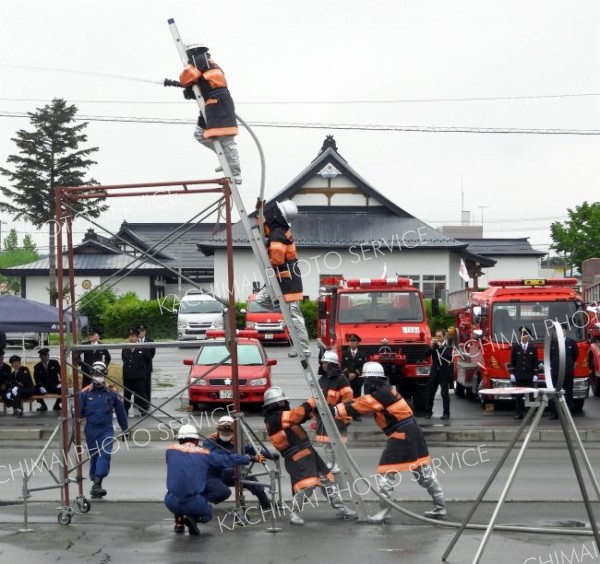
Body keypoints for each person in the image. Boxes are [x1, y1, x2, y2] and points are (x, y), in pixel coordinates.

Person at [335, 361, 446, 523]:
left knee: (385, 473)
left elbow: (361, 406)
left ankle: (384, 511)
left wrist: (335, 410)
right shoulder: (387, 391)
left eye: (367, 380)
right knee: (423, 471)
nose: (365, 383)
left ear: (373, 380)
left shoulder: (382, 395)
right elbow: (363, 401)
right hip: (413, 431)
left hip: (401, 433)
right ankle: (440, 506)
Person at [262, 386, 357, 526]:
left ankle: (341, 509)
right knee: (306, 486)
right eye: (281, 402)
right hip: (297, 457)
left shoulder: (281, 416)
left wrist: (313, 410)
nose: (284, 404)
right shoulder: (274, 419)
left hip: (308, 453)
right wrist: (311, 402)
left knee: (328, 481)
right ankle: (294, 513)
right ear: (274, 405)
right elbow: (297, 415)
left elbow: (300, 417)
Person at [165, 423, 256, 535]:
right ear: (196, 440)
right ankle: (192, 518)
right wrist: (250, 458)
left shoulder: (170, 450)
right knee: (207, 514)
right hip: (193, 503)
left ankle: (179, 522)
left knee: (178, 492)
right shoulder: (204, 454)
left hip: (170, 501)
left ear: (179, 439)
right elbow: (226, 460)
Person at [178, 43, 241, 184]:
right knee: (200, 134)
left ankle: (235, 172)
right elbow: (204, 83)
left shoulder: (199, 60)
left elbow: (186, 78)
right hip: (210, 103)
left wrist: (185, 84)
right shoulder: (207, 63)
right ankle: (225, 160)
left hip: (218, 103)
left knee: (227, 140)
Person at [255, 199, 311, 357]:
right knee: (261, 299)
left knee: (294, 315)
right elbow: (264, 229)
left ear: (279, 215)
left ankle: (304, 349)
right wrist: (259, 212)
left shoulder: (279, 234)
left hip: (287, 280)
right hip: (279, 278)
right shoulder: (279, 229)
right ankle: (285, 313)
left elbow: (277, 260)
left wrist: (267, 260)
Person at [79, 361, 128, 499]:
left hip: (107, 430)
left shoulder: (112, 392)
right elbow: (78, 414)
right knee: (94, 457)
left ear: (105, 375)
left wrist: (125, 429)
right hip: (91, 430)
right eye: (95, 374)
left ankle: (97, 482)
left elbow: (121, 412)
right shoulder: (84, 393)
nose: (98, 377)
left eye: (100, 374)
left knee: (104, 455)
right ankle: (95, 482)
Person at [203, 415, 273, 510]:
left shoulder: (237, 440)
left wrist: (269, 455)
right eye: (223, 432)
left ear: (233, 431)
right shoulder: (210, 441)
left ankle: (265, 503)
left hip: (234, 473)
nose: (226, 434)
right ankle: (201, 503)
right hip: (214, 475)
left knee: (249, 476)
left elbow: (253, 450)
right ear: (218, 430)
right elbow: (218, 457)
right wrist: (247, 458)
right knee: (228, 472)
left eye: (228, 432)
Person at [314, 350, 353, 473]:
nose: (323, 365)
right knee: (326, 442)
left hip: (337, 417)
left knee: (337, 443)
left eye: (326, 363)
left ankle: (338, 463)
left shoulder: (342, 380)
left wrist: (343, 417)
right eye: (323, 363)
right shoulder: (322, 379)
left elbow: (348, 400)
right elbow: (316, 397)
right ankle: (331, 463)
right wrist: (315, 414)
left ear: (332, 364)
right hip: (324, 416)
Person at [549, 323, 579, 420]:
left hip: (568, 371)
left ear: (565, 331)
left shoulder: (572, 343)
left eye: (562, 330)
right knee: (555, 392)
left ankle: (568, 413)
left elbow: (575, 355)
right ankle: (555, 413)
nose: (560, 332)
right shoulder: (553, 343)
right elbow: (550, 356)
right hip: (556, 372)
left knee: (568, 392)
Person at [509, 327, 539, 420]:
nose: (523, 337)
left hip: (529, 376)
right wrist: (512, 373)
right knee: (518, 396)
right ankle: (519, 413)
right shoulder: (516, 347)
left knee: (529, 395)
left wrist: (535, 374)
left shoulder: (533, 349)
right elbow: (513, 361)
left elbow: (535, 362)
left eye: (525, 335)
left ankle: (529, 413)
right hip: (519, 375)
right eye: (522, 335)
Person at [424, 329, 454, 420]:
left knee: (444, 394)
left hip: (444, 372)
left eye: (439, 336)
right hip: (434, 372)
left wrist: (440, 348)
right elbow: (425, 354)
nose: (438, 338)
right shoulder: (434, 346)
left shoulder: (448, 347)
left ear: (444, 337)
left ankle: (446, 413)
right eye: (436, 336)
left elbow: (448, 357)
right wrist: (432, 347)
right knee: (430, 393)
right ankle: (428, 412)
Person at [122, 328, 149, 417]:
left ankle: (143, 409)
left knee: (141, 394)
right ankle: (125, 410)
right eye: (130, 336)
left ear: (137, 337)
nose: (131, 338)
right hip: (128, 376)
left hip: (139, 376)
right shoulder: (125, 348)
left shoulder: (143, 347)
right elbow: (124, 359)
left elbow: (148, 359)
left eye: (133, 336)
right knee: (127, 395)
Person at [341, 333, 368, 421]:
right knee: (347, 396)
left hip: (357, 379)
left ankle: (356, 414)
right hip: (347, 379)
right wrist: (348, 373)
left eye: (354, 341)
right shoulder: (345, 353)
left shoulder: (362, 354)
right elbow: (342, 365)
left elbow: (363, 365)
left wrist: (355, 374)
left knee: (357, 397)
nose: (352, 343)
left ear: (358, 343)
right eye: (351, 341)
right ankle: (347, 413)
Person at [33, 348, 62, 412]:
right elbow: (36, 378)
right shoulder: (37, 366)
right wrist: (40, 386)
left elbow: (61, 373)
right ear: (40, 357)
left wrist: (61, 383)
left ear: (48, 356)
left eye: (46, 355)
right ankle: (43, 405)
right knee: (35, 389)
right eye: (42, 356)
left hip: (54, 385)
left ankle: (57, 405)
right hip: (44, 386)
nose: (44, 357)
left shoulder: (54, 363)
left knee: (64, 389)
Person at [137, 324, 155, 407]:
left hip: (147, 367)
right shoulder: (135, 341)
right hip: (137, 367)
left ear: (145, 331)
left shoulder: (150, 341)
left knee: (147, 385)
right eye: (140, 331)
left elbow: (152, 353)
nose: (141, 333)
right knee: (138, 385)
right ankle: (137, 401)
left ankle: (147, 401)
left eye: (143, 331)